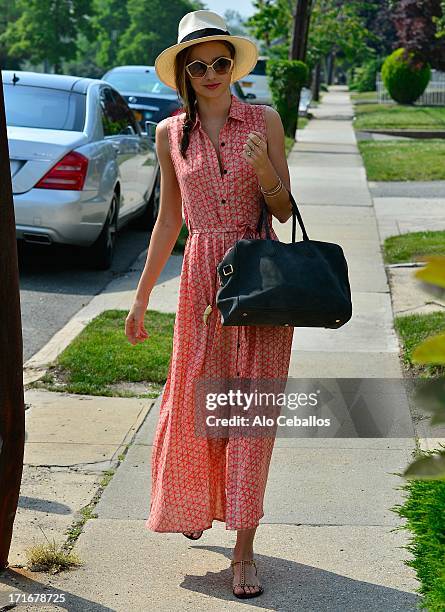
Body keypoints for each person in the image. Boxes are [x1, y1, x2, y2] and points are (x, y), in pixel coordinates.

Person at [125, 9, 294, 600]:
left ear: (234, 65)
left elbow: (282, 209)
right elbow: (169, 219)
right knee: (198, 403)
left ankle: (244, 550)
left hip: (258, 280)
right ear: (183, 75)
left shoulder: (264, 119)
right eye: (198, 66)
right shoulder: (171, 133)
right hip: (200, 282)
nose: (212, 73)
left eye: (222, 62)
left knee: (247, 413)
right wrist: (142, 297)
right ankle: (196, 502)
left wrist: (262, 167)